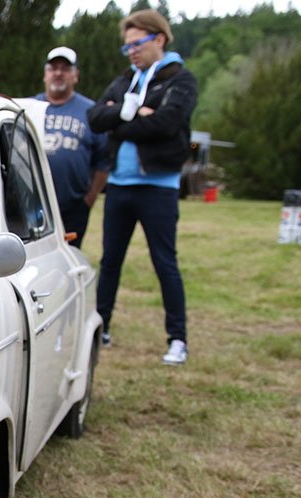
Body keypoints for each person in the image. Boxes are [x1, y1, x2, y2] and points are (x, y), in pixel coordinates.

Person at [87, 10, 197, 365]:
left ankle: (177, 339)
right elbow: (95, 118)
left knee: (165, 263)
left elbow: (168, 123)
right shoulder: (124, 81)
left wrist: (120, 118)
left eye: (137, 44)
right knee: (111, 261)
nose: (131, 52)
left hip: (158, 188)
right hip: (119, 187)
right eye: (127, 47)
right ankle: (100, 327)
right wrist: (134, 112)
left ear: (159, 39)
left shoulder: (180, 80)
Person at [34, 46, 108, 249]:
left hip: (73, 206)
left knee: (69, 258)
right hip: (31, 205)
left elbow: (103, 161)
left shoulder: (91, 112)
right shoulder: (28, 107)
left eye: (65, 69)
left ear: (75, 76)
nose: (58, 73)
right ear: (45, 75)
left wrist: (89, 199)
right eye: (53, 68)